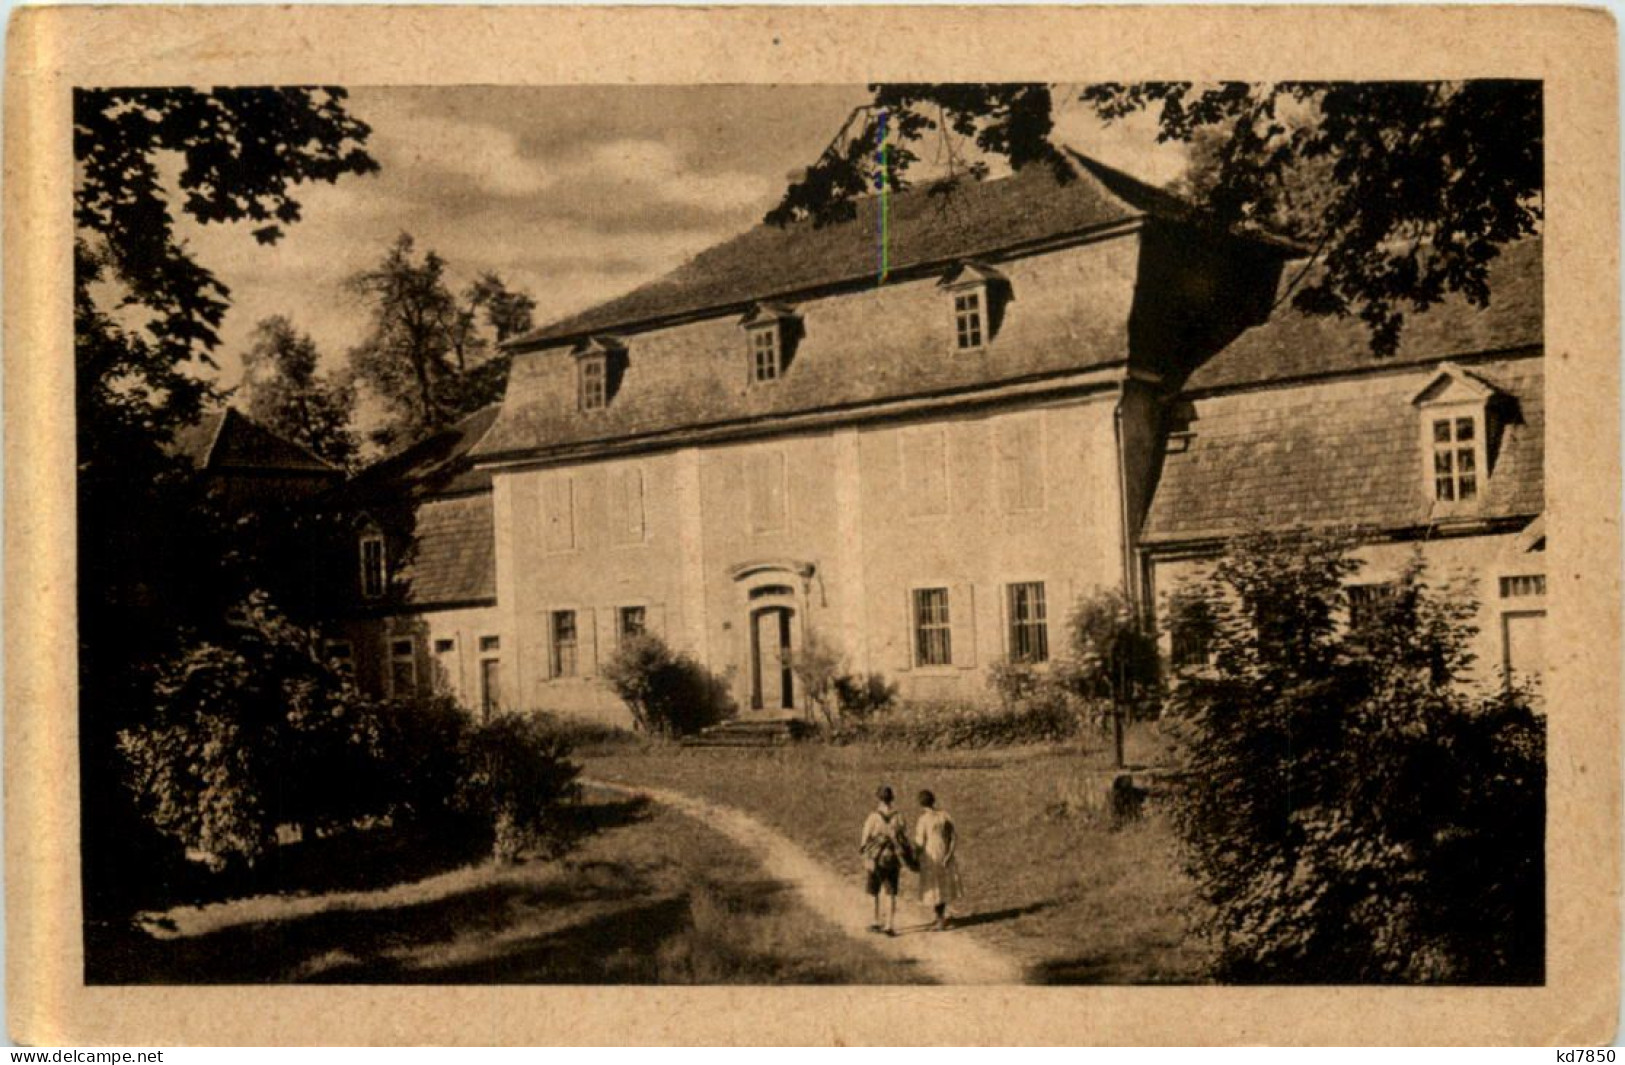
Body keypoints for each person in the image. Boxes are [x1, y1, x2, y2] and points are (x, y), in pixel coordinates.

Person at [859, 785, 911, 935]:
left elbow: (865, 838)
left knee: (873, 890)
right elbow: (903, 834)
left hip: (876, 856)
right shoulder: (899, 816)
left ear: (878, 798)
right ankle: (889, 925)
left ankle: (875, 921)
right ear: (892, 798)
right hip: (893, 856)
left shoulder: (873, 817)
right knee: (891, 891)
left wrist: (865, 854)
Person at [914, 789, 963, 931]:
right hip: (944, 851)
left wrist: (916, 857)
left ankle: (940, 920)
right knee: (943, 885)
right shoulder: (944, 815)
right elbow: (954, 837)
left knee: (935, 886)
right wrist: (949, 854)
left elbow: (919, 841)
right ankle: (939, 917)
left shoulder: (923, 820)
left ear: (921, 804)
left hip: (931, 853)